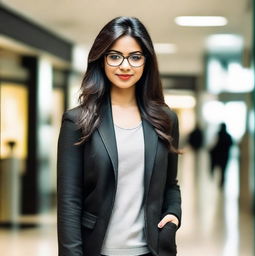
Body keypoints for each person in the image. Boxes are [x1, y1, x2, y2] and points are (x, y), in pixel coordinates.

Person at [57, 16, 182, 256]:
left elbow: (170, 185)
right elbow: (69, 203)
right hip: (97, 249)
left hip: (153, 250)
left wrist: (174, 214)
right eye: (115, 56)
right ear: (101, 60)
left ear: (147, 62)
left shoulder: (165, 119)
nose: (125, 66)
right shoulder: (78, 121)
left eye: (135, 57)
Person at [209, 123, 233, 189]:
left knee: (216, 168)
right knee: (223, 171)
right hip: (225, 157)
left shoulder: (218, 134)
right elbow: (231, 144)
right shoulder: (228, 136)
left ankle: (214, 178)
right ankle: (221, 184)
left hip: (218, 156)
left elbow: (214, 144)